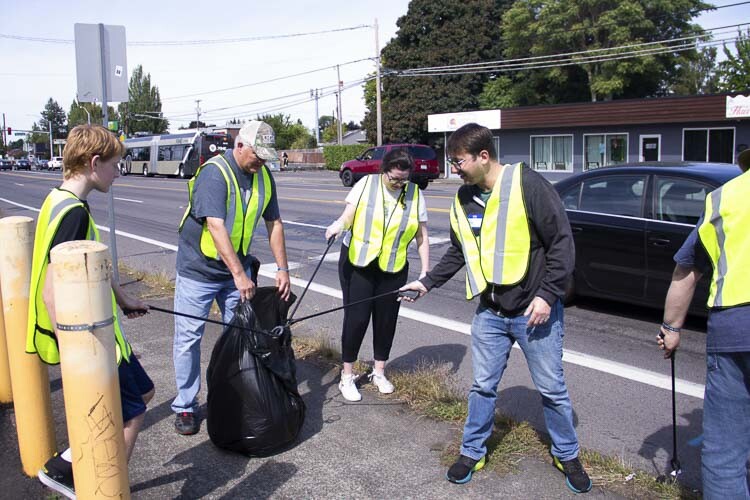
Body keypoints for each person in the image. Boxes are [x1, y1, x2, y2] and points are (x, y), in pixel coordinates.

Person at [400, 123, 592, 492]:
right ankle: (472, 451)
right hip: (491, 312)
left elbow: (561, 244)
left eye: (459, 161)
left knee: (552, 389)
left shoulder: (528, 185)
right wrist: (426, 282)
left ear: (483, 156)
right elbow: (459, 251)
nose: (454, 168)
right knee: (483, 387)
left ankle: (566, 453)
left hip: (535, 313)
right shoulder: (464, 197)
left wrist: (547, 295)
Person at [27, 124, 154, 499]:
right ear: (95, 163)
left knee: (143, 393)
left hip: (103, 334)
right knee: (132, 412)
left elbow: (88, 264)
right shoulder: (75, 215)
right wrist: (75, 355)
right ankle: (99, 487)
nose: (119, 173)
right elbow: (53, 290)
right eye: (116, 165)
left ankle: (67, 466)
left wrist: (123, 298)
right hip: (92, 343)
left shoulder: (59, 200)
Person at [172, 120, 291, 435]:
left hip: (235, 273)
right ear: (240, 145)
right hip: (199, 270)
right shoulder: (215, 172)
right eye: (257, 155)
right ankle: (185, 406)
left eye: (266, 157)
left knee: (238, 337)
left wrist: (283, 268)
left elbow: (274, 222)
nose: (261, 162)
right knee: (188, 339)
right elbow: (215, 225)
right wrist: (239, 274)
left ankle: (230, 397)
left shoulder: (263, 176)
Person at [657, 148, 750, 499]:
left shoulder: (726, 197)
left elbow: (686, 271)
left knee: (725, 453)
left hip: (734, 331)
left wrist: (671, 329)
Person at [325, 148, 429, 402]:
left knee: (386, 319)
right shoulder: (367, 185)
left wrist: (426, 272)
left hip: (393, 266)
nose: (398, 184)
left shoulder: (414, 194)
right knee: (357, 318)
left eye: (403, 180)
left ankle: (379, 371)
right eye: (393, 178)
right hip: (358, 263)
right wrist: (338, 226)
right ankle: (347, 376)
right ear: (383, 171)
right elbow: (349, 215)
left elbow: (421, 236)